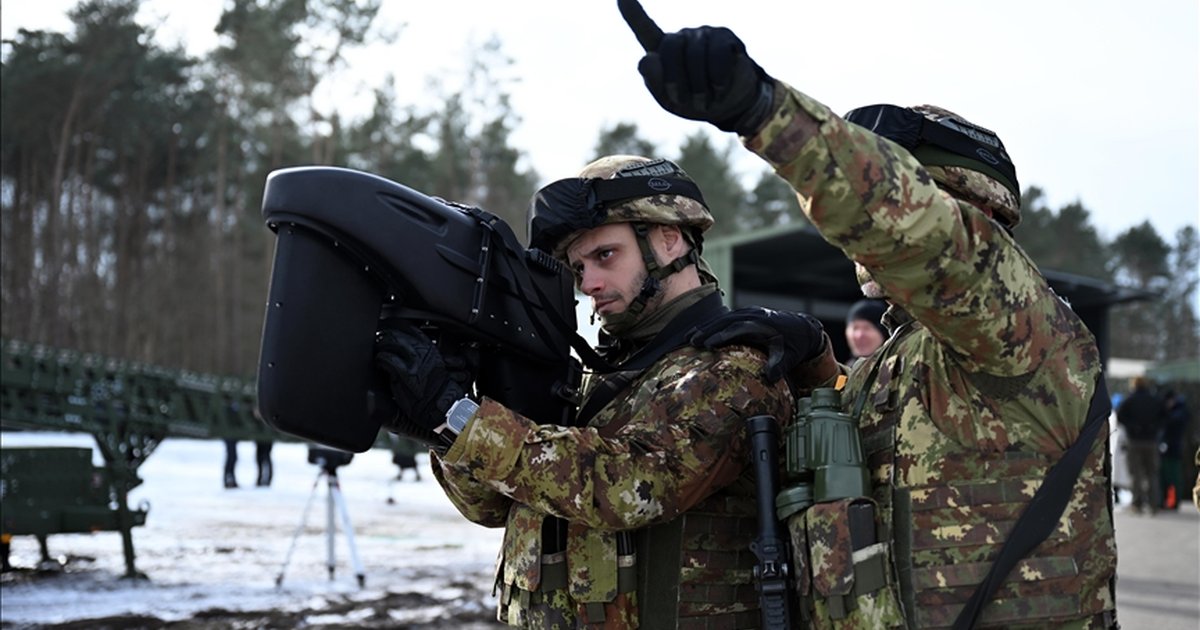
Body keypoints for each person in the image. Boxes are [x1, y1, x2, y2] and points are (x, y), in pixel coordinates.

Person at [622, 8, 1117, 628]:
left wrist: (763, 110)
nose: (858, 238)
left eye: (887, 201)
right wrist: (818, 365)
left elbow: (919, 233)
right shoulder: (890, 361)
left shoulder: (1024, 334)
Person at [373, 154, 837, 627]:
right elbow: (492, 507)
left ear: (669, 238)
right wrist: (443, 424)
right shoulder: (599, 376)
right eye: (578, 268)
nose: (589, 283)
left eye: (605, 255)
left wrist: (464, 421)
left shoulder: (735, 366)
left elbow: (632, 486)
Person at [1116, 376, 1165, 515]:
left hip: (1135, 441)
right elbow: (1165, 416)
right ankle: (1154, 504)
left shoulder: (1130, 400)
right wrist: (1155, 428)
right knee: (1152, 473)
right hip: (1151, 440)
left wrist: (1132, 427)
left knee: (1136, 473)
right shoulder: (1155, 399)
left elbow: (1120, 416)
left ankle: (1137, 504)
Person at [1158, 390, 1192, 510]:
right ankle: (1165, 501)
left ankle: (1174, 501)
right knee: (1164, 477)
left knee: (1174, 477)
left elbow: (1174, 421)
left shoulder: (1180, 412)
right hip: (1167, 448)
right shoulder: (1174, 411)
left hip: (1174, 449)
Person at [844, 298, 887, 363]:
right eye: (855, 328)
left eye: (867, 328)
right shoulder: (843, 371)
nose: (859, 335)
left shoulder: (896, 369)